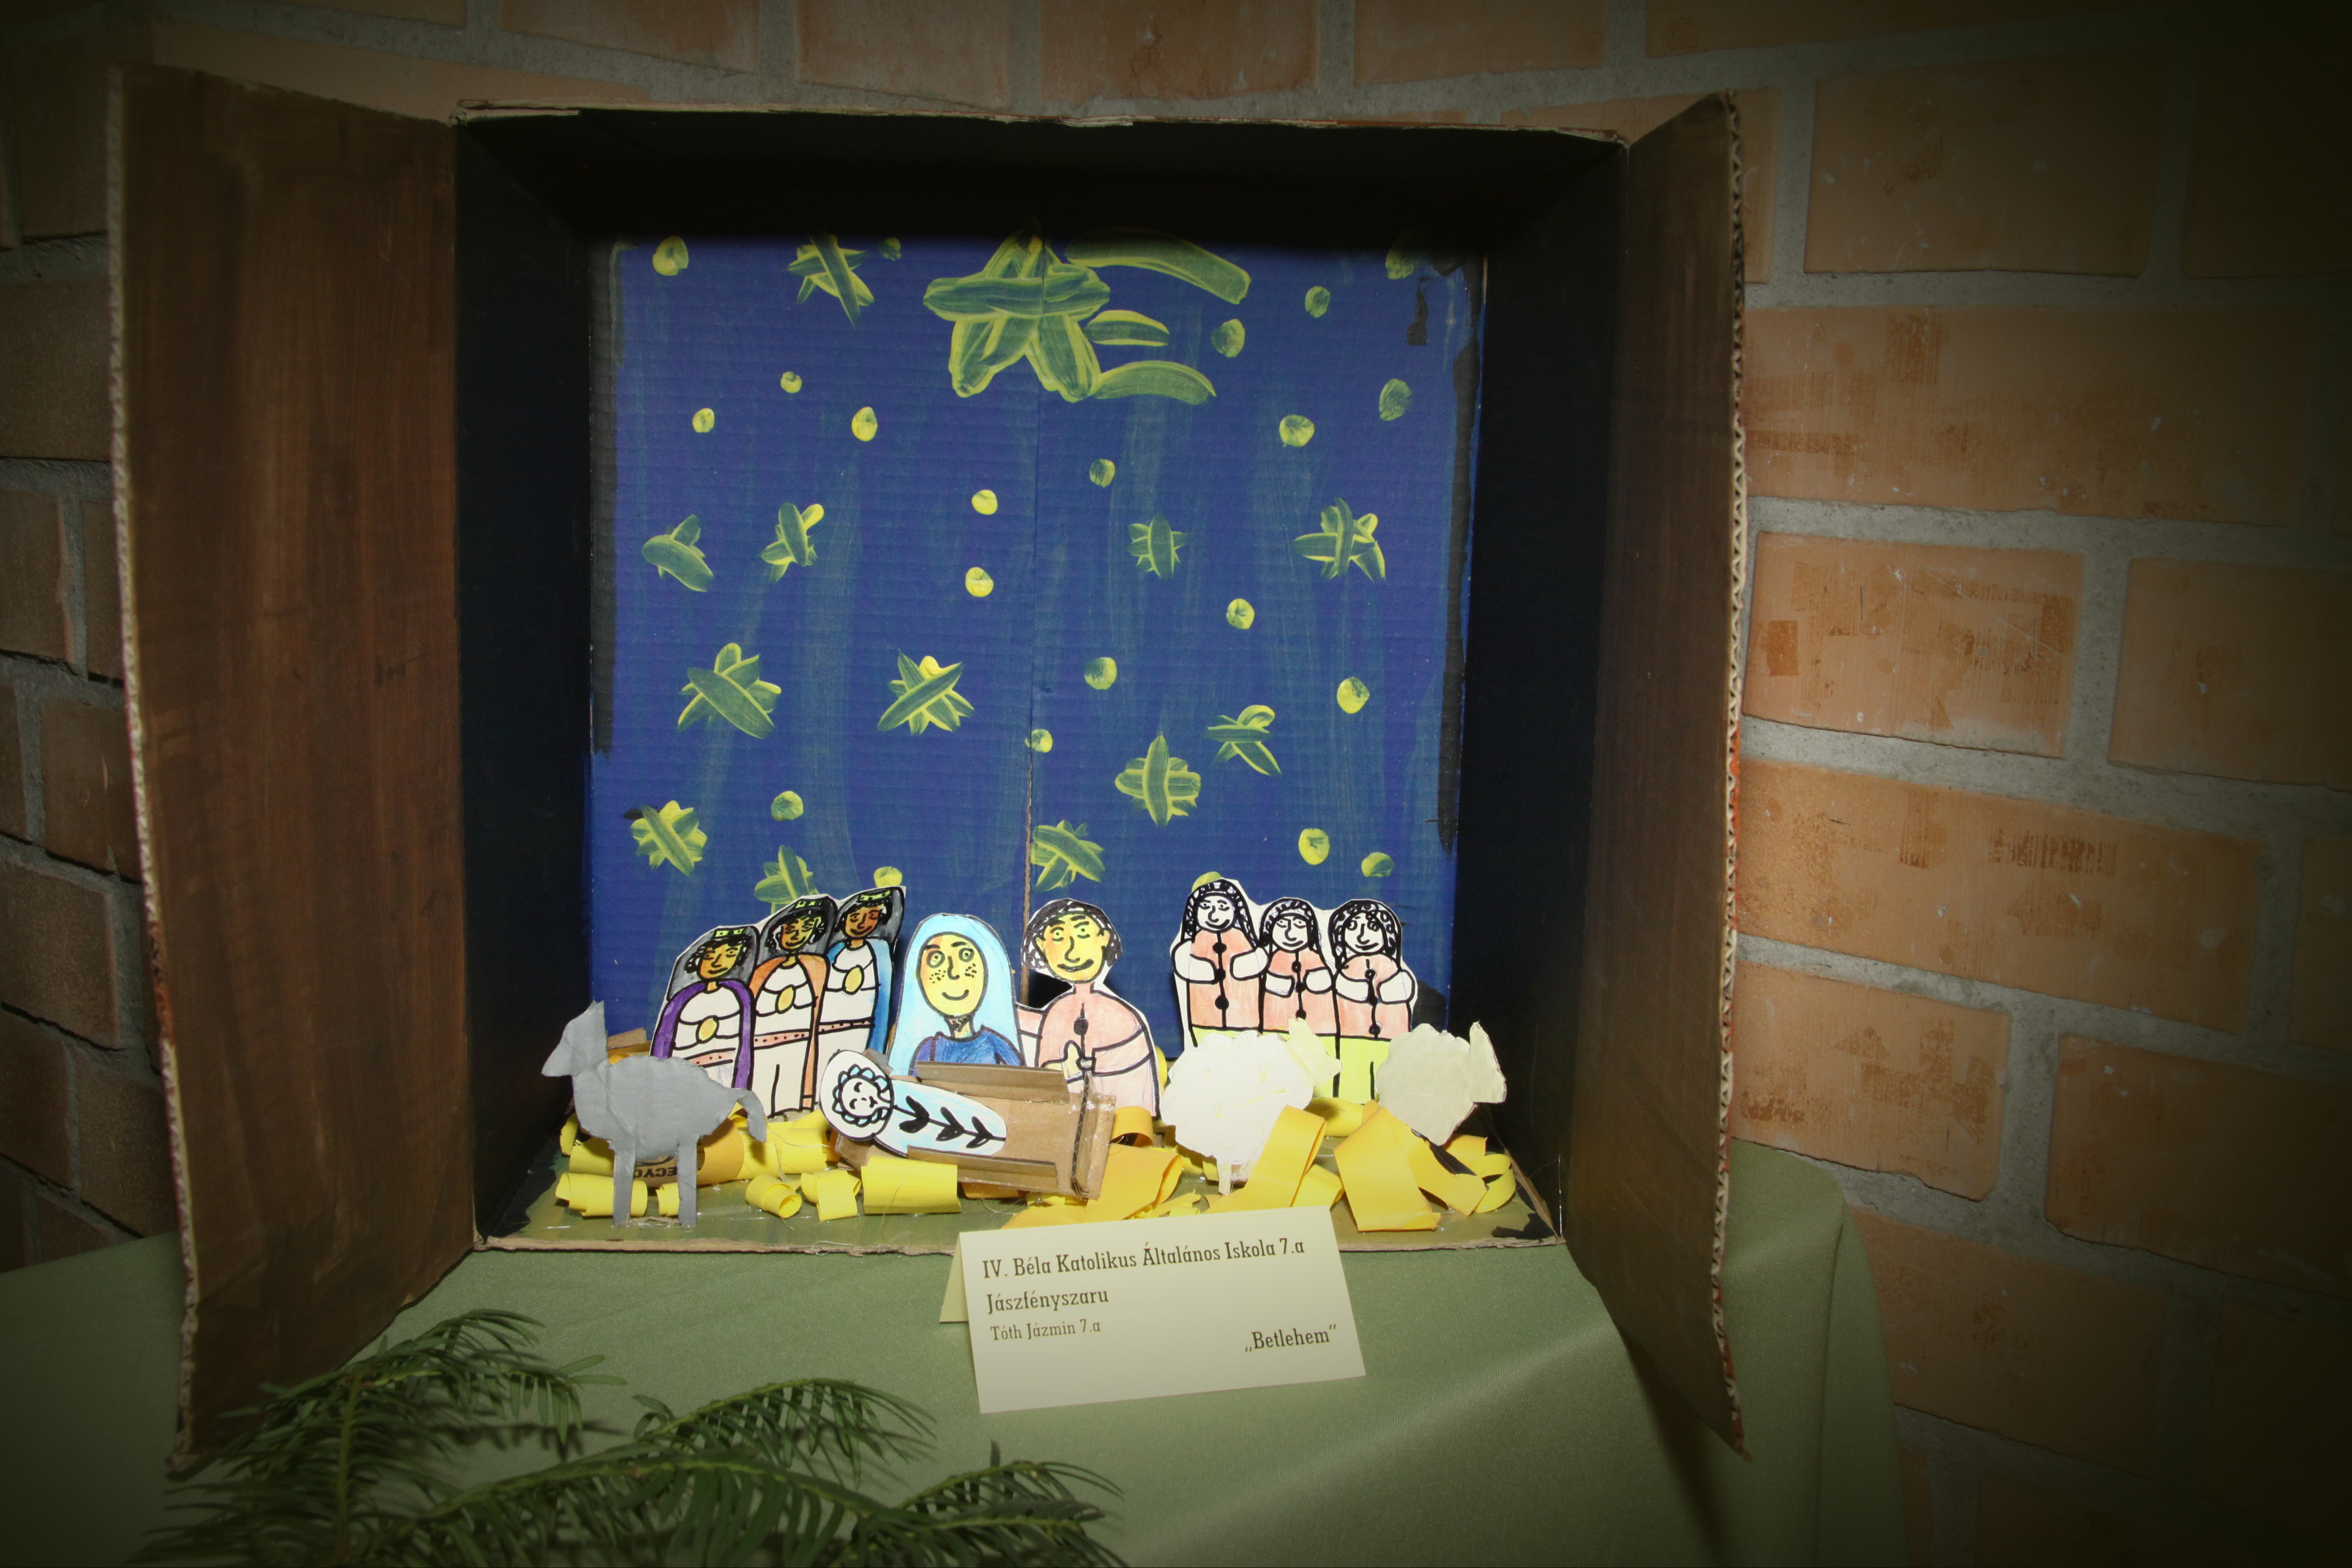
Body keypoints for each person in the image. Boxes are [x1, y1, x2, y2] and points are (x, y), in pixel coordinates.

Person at [1022, 898, 1158, 1114]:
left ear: (1104, 938)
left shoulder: (1121, 1018)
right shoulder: (1056, 1014)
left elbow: (1129, 1101)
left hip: (1117, 1123)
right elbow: (1046, 1086)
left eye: (1083, 932)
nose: (1072, 951)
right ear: (1041, 945)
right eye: (1058, 936)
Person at [891, 914, 1024, 1069]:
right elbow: (912, 1082)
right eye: (936, 958)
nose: (953, 972)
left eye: (966, 955)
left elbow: (1020, 1078)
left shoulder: (994, 1043)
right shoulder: (929, 1049)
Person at [745, 895, 835, 1116]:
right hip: (762, 1047)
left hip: (799, 1045)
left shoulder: (817, 966)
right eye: (791, 929)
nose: (797, 935)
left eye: (805, 929)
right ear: (779, 932)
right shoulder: (764, 970)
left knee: (792, 1096)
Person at [649, 925, 758, 1092]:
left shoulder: (740, 994)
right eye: (709, 956)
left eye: (729, 955)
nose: (717, 962)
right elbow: (662, 1046)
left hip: (725, 1077)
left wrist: (740, 1090)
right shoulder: (681, 1000)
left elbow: (744, 1047)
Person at [812, 885, 902, 1081]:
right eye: (855, 917)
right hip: (827, 1033)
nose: (862, 924)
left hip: (862, 1032)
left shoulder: (880, 950)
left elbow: (883, 1004)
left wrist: (876, 1048)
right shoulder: (834, 953)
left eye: (872, 916)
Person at [1328, 899, 1415, 1102]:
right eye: (1352, 927)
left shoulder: (1393, 968)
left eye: (1373, 927)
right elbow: (1348, 990)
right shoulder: (1346, 970)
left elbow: (1401, 991)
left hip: (1392, 1039)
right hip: (1352, 1039)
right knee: (1352, 1087)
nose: (1362, 935)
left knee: (1391, 1087)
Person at [1169, 877, 1267, 1045]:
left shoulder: (1243, 940)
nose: (1214, 914)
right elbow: (1183, 964)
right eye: (1206, 907)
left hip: (1244, 1022)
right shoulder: (1194, 943)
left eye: (1223, 907)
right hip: (1205, 1022)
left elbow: (1259, 961)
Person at [1258, 896, 1336, 1038]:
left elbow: (1324, 985)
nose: (1290, 933)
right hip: (1278, 1028)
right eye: (1282, 924)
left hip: (1320, 1030)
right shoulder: (1275, 959)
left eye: (1299, 925)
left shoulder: (1314, 958)